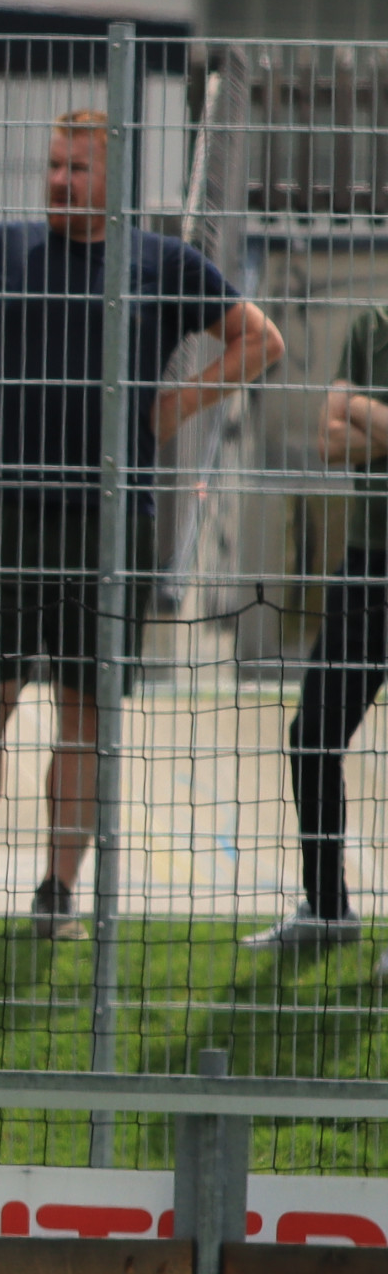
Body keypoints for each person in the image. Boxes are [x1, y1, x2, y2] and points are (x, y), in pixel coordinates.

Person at [0, 107, 283, 950]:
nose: (60, 181)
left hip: (110, 520)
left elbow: (260, 340)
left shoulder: (163, 264)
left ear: (115, 180)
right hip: (1, 510)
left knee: (87, 712)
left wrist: (175, 406)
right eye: (54, 166)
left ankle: (56, 899)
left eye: (79, 170)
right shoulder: (0, 248)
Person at [245, 304, 388, 957]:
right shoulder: (373, 327)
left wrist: (369, 414)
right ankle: (328, 911)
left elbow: (348, 424)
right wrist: (359, 420)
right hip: (368, 565)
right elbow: (329, 441)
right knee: (312, 735)